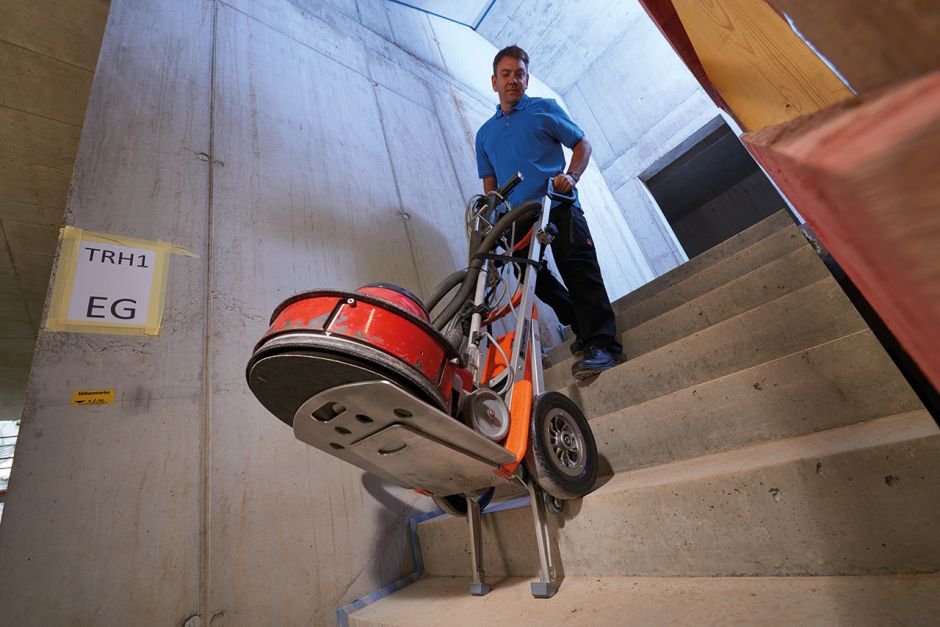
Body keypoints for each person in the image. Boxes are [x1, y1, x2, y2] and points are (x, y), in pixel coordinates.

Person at [475, 45, 622, 379]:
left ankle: (602, 345)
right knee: (534, 280)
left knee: (578, 269)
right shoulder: (485, 134)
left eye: (519, 74)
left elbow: (582, 144)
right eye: (506, 74)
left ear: (526, 79)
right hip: (517, 219)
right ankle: (580, 320)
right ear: (494, 82)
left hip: (556, 203)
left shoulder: (544, 109)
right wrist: (494, 218)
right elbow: (490, 182)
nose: (513, 80)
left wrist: (572, 176)